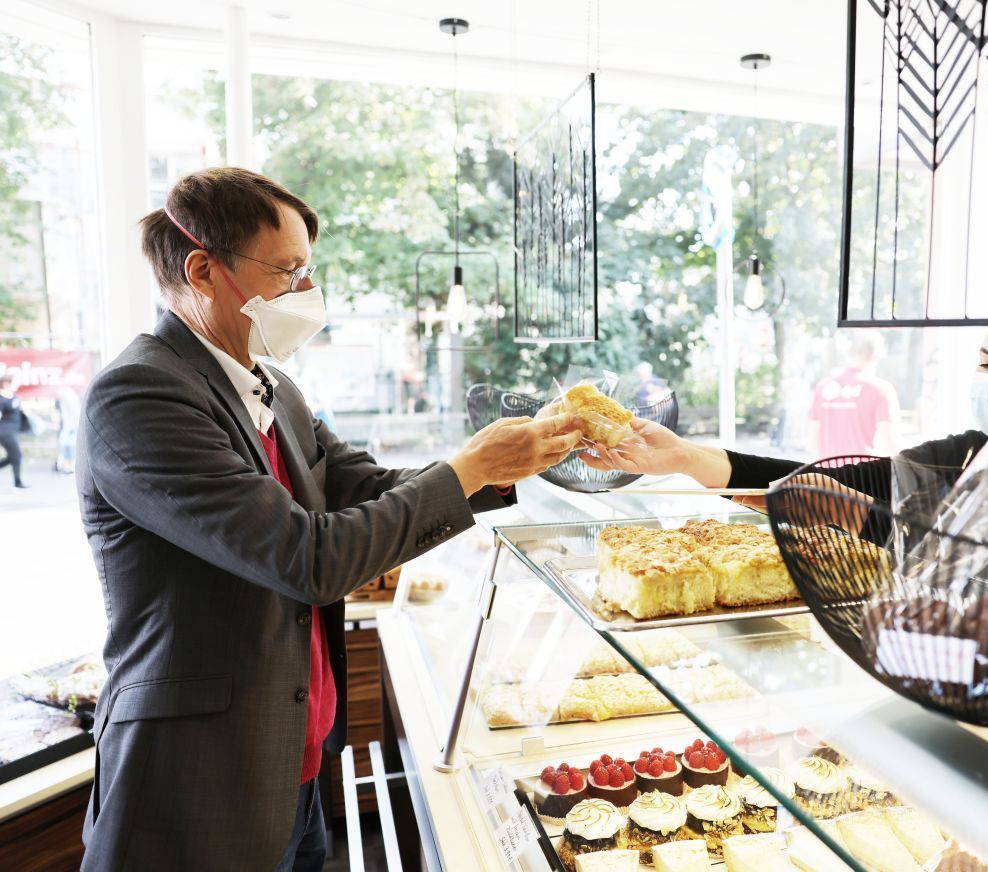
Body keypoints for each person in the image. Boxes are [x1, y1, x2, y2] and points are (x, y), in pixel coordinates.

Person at [77, 167, 582, 871]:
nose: (306, 294)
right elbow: (307, 559)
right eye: (287, 272)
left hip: (296, 763)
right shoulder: (141, 397)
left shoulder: (274, 388)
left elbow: (366, 487)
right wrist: (471, 466)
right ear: (203, 269)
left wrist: (506, 467)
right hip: (197, 782)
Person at [584, 284, 988, 540]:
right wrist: (687, 458)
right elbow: (831, 484)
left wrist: (863, 520)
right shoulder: (971, 452)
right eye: (986, 363)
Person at [807, 329, 899, 457]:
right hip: (861, 474)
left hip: (827, 474)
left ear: (850, 353)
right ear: (875, 356)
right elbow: (889, 444)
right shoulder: (880, 389)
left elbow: (812, 443)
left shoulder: (823, 386)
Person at [0, 374, 28, 488]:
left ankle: (18, 481)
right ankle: (18, 482)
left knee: (13, 457)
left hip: (13, 431)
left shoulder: (13, 397)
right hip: (5, 432)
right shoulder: (1, 398)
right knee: (17, 456)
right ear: (7, 384)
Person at [54, 386, 81, 473]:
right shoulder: (63, 402)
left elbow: (76, 416)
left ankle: (70, 466)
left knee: (71, 447)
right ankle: (66, 466)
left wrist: (73, 427)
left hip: (72, 427)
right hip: (67, 427)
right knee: (65, 446)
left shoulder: (72, 400)